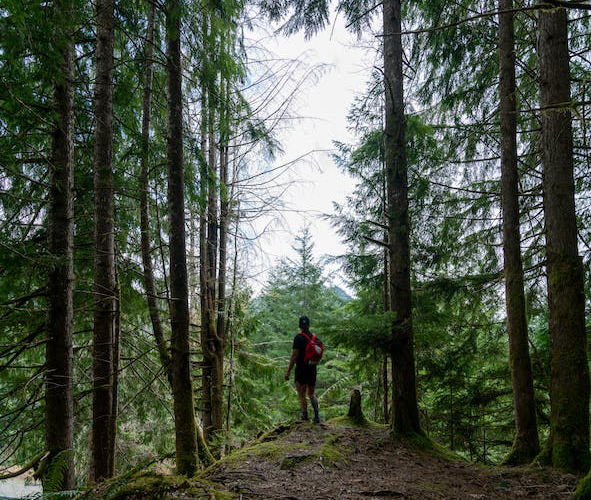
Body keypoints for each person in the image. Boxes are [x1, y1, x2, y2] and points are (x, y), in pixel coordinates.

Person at [284, 315, 320, 423]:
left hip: (301, 370)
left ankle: (305, 416)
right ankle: (316, 415)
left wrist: (288, 371)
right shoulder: (315, 338)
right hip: (312, 368)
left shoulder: (298, 338)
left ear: (300, 326)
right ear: (308, 325)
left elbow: (294, 356)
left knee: (302, 394)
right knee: (311, 394)